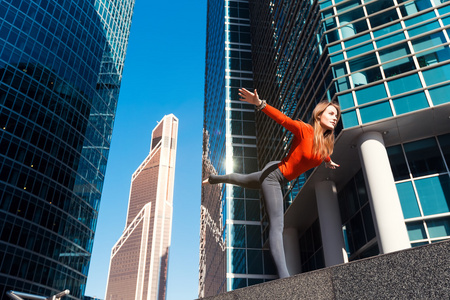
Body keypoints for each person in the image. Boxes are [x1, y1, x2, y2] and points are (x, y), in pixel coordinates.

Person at [202, 88, 341, 279]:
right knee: (278, 224)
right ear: (319, 114)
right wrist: (260, 104)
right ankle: (285, 277)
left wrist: (329, 161)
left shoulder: (324, 145)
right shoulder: (304, 130)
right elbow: (283, 120)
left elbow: (322, 154)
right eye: (331, 113)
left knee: (242, 179)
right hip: (274, 175)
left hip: (276, 175)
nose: (335, 118)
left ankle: (215, 178)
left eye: (337, 116)